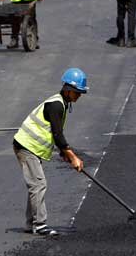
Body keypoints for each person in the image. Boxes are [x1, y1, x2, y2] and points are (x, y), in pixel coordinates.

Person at [13, 68, 87, 236]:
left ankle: (30, 223)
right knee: (39, 184)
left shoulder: (62, 103)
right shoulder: (56, 105)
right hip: (26, 147)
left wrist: (64, 153)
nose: (79, 96)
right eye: (77, 92)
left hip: (31, 147)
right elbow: (57, 134)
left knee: (35, 184)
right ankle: (40, 226)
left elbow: (55, 135)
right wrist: (72, 156)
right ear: (68, 90)